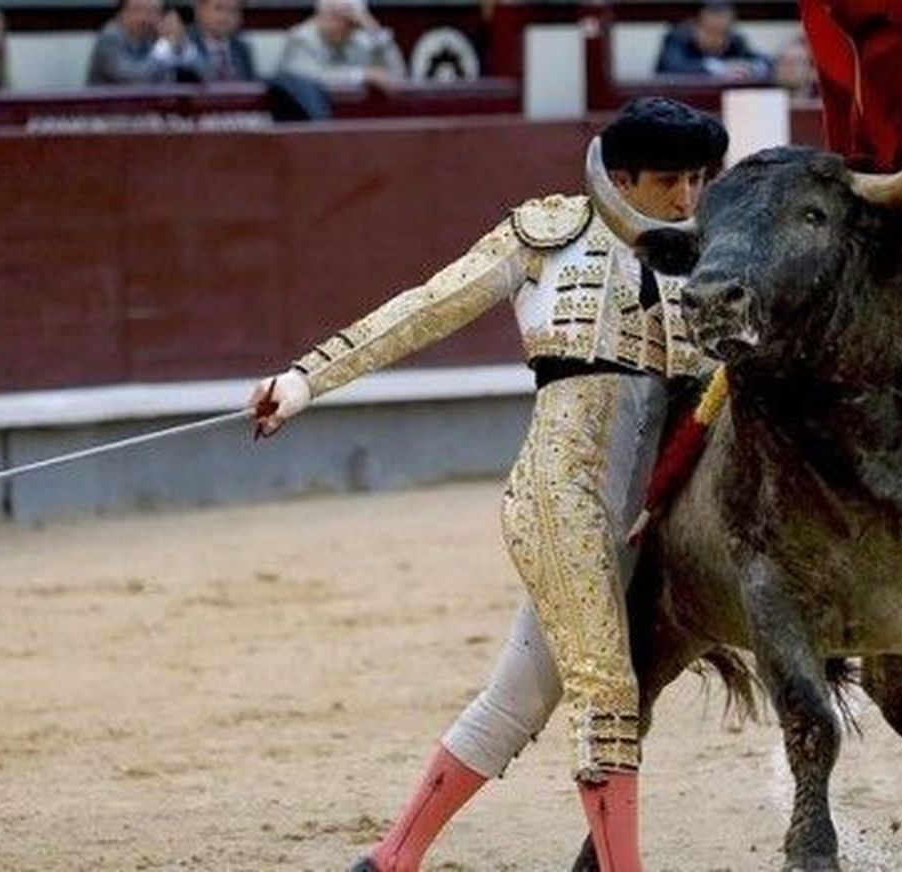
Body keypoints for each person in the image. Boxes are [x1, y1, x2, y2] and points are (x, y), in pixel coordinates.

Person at [248, 98, 728, 872]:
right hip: (559, 496)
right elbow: (426, 308)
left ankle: (389, 861)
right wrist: (305, 380)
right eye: (671, 181)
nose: (687, 199)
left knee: (517, 700)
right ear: (623, 176)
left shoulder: (708, 256)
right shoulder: (549, 234)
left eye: (700, 181)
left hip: (647, 514)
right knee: (606, 692)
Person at [276, 0, 405, 90]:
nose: (338, 24)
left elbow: (398, 75)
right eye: (332, 15)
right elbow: (310, 78)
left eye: (346, 20)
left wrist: (375, 31)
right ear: (319, 15)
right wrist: (362, 75)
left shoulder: (361, 41)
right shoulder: (300, 38)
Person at [86, 0, 196, 85]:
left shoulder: (153, 35)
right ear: (122, 12)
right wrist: (165, 46)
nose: (145, 18)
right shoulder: (110, 37)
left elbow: (201, 74)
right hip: (107, 111)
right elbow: (133, 79)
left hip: (149, 110)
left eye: (153, 11)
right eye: (138, 10)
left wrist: (182, 42)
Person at [654, 0, 769, 79]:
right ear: (695, 24)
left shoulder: (735, 41)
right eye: (710, 32)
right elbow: (672, 68)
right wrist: (720, 68)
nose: (717, 38)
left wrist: (750, 68)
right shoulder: (677, 37)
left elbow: (764, 62)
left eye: (722, 33)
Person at [185, 0, 255, 82]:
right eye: (218, 8)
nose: (225, 17)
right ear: (199, 10)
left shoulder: (242, 50)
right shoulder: (184, 44)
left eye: (232, 11)